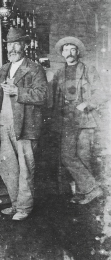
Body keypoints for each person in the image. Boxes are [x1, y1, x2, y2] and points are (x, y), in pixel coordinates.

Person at [0, 27, 48, 220]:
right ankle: (15, 204)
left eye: (16, 43)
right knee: (8, 167)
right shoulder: (5, 68)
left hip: (25, 126)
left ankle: (24, 208)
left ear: (24, 45)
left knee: (25, 168)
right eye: (9, 44)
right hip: (5, 124)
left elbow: (43, 95)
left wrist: (18, 91)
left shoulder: (34, 68)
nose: (11, 48)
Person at [52, 37, 106, 204]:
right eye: (66, 50)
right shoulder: (59, 74)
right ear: (62, 53)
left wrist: (87, 104)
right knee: (67, 156)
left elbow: (102, 93)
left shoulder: (88, 70)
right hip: (67, 119)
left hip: (85, 119)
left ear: (77, 52)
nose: (69, 53)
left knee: (83, 156)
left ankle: (85, 193)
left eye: (72, 49)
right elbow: (54, 98)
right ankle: (92, 189)